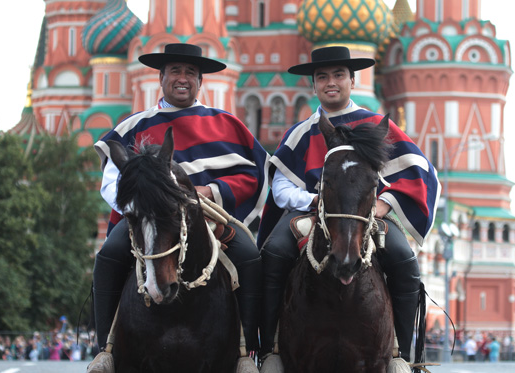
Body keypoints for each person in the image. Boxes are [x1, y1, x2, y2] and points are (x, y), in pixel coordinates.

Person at [88, 43, 269, 370]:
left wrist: (211, 191)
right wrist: (145, 204)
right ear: (161, 77)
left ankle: (246, 351)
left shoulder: (226, 124)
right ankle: (106, 349)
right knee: (109, 255)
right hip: (148, 220)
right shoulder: (134, 126)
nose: (182, 79)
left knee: (249, 256)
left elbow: (252, 176)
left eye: (190, 73)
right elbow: (111, 182)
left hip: (210, 217)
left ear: (200, 82)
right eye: (175, 71)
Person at [257, 45, 440, 363]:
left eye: (339, 75)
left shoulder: (376, 126)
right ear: (313, 85)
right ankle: (270, 349)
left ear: (352, 80)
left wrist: (385, 203)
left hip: (367, 215)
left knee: (403, 259)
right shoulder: (301, 133)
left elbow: (420, 172)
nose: (331, 82)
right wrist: (313, 200)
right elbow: (281, 185)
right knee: (273, 254)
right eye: (322, 76)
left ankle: (402, 354)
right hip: (309, 215)